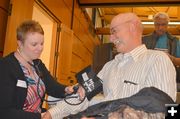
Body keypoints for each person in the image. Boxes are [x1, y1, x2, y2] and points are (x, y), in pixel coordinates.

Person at [42, 13, 177, 119]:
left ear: (131, 27)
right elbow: (83, 97)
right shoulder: (109, 66)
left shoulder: (158, 60)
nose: (111, 38)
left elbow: (163, 110)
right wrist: (52, 113)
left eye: (114, 31)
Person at [0, 20, 83, 119]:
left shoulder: (37, 64)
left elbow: (52, 86)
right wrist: (40, 116)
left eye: (42, 43)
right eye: (34, 44)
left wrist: (67, 89)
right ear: (20, 43)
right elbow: (4, 112)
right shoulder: (5, 66)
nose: (40, 48)